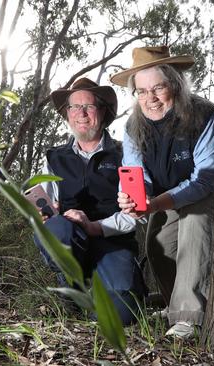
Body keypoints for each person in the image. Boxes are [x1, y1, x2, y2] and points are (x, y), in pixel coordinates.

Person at [110, 46, 214, 338]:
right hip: (164, 197)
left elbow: (205, 180)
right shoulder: (134, 126)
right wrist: (133, 197)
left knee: (194, 225)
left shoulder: (205, 115)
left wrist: (156, 202)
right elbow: (135, 173)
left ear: (175, 85)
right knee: (158, 243)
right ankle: (177, 306)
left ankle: (191, 317)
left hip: (203, 194)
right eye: (142, 91)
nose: (151, 98)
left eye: (158, 88)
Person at [32, 77, 145, 325]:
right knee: (56, 230)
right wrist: (45, 216)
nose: (81, 114)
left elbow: (134, 216)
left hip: (112, 243)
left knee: (119, 315)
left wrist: (94, 226)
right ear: (67, 114)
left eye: (89, 106)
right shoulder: (54, 158)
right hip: (72, 239)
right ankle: (70, 285)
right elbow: (44, 206)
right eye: (74, 107)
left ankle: (112, 291)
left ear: (103, 112)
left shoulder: (126, 155)